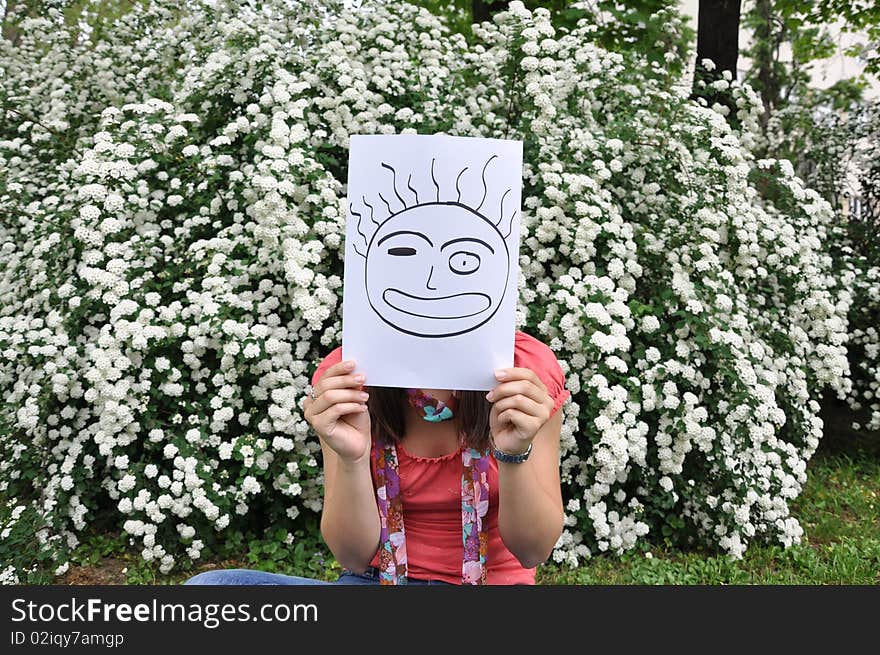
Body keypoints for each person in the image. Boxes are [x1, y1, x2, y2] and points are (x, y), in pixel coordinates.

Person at [184, 330, 569, 586]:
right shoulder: (348, 377)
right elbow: (353, 556)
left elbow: (533, 550)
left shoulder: (524, 373)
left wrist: (513, 453)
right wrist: (351, 459)